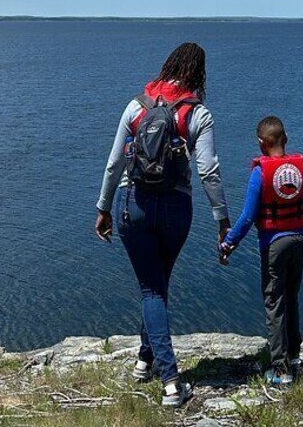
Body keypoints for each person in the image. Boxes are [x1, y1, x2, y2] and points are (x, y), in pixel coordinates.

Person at [95, 42, 231, 407]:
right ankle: (166, 377)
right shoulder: (198, 114)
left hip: (133, 205)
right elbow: (209, 172)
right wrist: (222, 219)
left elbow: (114, 165)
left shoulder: (136, 106)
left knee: (152, 286)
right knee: (156, 285)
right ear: (198, 73)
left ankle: (149, 364)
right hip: (176, 209)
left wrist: (103, 208)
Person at [219, 116, 303, 387]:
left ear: (261, 143)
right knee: (292, 297)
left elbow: (248, 217)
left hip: (274, 243)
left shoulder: (261, 173)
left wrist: (228, 244)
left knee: (275, 303)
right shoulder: (302, 170)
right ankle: (294, 356)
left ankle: (281, 369)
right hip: (301, 239)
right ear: (286, 138)